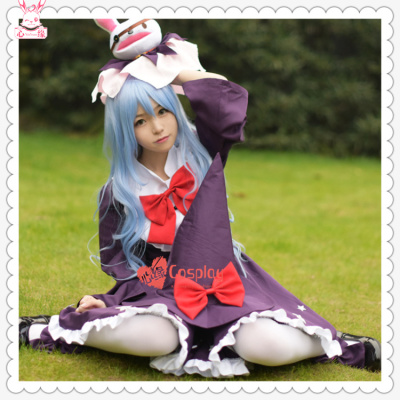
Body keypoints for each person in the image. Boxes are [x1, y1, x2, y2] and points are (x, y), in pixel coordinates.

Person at [19, 69, 381, 378]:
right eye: (140, 121)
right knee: (157, 337)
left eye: (163, 110)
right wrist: (114, 299)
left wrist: (166, 69)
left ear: (175, 108)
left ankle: (340, 345)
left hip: (224, 277)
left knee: (263, 345)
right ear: (125, 130)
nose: (157, 127)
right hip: (161, 288)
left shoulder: (204, 155)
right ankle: (55, 328)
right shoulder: (119, 191)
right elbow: (124, 264)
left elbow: (226, 98)